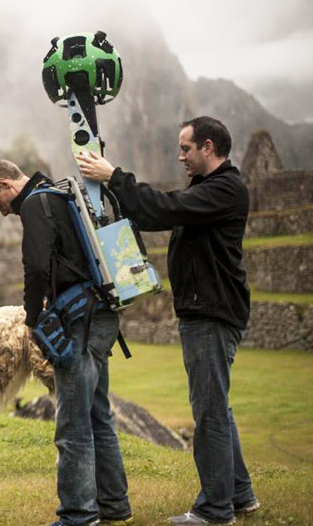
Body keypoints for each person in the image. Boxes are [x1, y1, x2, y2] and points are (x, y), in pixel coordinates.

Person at [77, 116, 260, 525]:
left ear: (208, 147)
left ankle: (214, 510)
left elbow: (166, 208)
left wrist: (114, 176)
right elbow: (157, 215)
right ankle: (240, 494)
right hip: (206, 310)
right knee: (217, 407)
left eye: (186, 149)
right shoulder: (211, 189)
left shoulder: (226, 189)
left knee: (209, 411)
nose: (180, 156)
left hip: (211, 313)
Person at [0, 160, 132, 526]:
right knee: (97, 414)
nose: (3, 212)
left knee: (72, 422)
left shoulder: (34, 204)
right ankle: (113, 504)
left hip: (78, 318)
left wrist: (32, 320)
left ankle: (78, 513)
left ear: (5, 183)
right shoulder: (62, 194)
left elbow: (36, 266)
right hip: (103, 312)